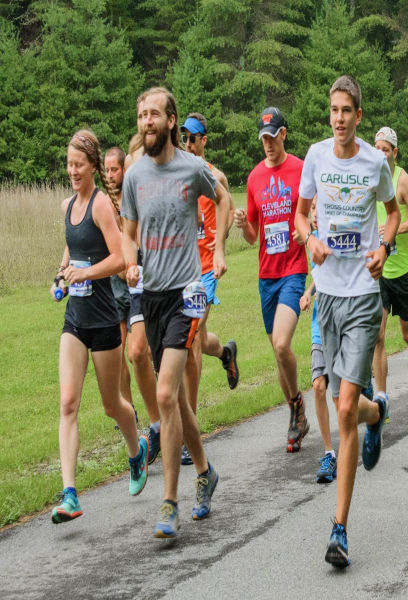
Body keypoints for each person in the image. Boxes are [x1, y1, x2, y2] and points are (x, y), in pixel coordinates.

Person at [294, 75, 398, 568]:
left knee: (343, 408)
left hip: (361, 296)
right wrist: (308, 238)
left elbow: (392, 213)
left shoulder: (375, 162)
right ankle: (377, 414)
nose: (338, 119)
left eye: (346, 111)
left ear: (359, 114)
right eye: (333, 110)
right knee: (345, 406)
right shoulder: (315, 157)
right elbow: (300, 214)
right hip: (327, 297)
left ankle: (339, 529)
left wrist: (382, 247)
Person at [121, 87, 227, 538]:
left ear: (171, 121)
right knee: (179, 400)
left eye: (154, 115)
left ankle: (168, 503)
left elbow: (224, 199)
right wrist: (129, 261)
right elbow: (128, 232)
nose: (147, 121)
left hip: (187, 293)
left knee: (166, 395)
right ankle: (205, 471)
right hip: (152, 295)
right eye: (142, 114)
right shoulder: (133, 175)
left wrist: (219, 247)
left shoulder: (192, 167)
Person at [51, 130, 148, 524]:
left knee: (112, 405)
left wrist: (86, 272)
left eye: (79, 165)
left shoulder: (101, 207)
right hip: (75, 320)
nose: (73, 171)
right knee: (68, 402)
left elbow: (121, 260)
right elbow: (71, 251)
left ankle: (136, 449)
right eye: (69, 165)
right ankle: (70, 494)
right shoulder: (66, 206)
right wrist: (61, 275)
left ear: (92, 166)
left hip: (105, 320)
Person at [234, 107, 310, 453]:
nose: (267, 143)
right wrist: (242, 223)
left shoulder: (300, 169)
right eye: (262, 138)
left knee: (282, 344)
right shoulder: (253, 179)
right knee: (278, 354)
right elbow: (253, 235)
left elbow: (312, 211)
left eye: (272, 136)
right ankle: (295, 410)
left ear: (283, 134)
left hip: (293, 270)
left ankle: (296, 406)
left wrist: (304, 230)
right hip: (266, 274)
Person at [179, 112, 240, 465]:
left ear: (205, 141)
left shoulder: (214, 175)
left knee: (191, 341)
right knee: (198, 341)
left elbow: (227, 207)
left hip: (206, 271)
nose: (188, 143)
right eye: (184, 137)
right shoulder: (179, 173)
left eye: (193, 138)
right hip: (183, 270)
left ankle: (192, 431)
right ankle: (226, 353)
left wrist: (219, 247)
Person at [372, 126, 408, 416]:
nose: (381, 153)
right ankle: (382, 400)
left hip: (402, 269)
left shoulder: (402, 180)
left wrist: (394, 229)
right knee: (377, 336)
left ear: (395, 152)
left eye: (386, 149)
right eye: (377, 148)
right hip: (378, 270)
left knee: (407, 334)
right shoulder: (369, 177)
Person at [121, 133, 162, 464]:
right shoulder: (127, 200)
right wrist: (129, 263)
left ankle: (180, 424)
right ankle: (158, 425)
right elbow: (126, 235)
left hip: (168, 280)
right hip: (140, 282)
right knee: (136, 351)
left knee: (167, 360)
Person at [299, 198, 339, 484]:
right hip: (318, 323)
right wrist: (308, 292)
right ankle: (329, 452)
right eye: (310, 208)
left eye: (317, 207)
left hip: (342, 321)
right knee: (318, 386)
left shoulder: (338, 233)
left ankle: (372, 411)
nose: (314, 212)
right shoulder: (311, 240)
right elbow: (319, 274)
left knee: (341, 394)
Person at [103, 146, 138, 425]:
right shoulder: (103, 203)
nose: (110, 174)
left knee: (138, 353)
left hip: (137, 285)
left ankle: (160, 410)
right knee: (118, 355)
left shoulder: (133, 198)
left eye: (115, 169)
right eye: (107, 170)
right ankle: (129, 412)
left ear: (124, 170)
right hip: (114, 289)